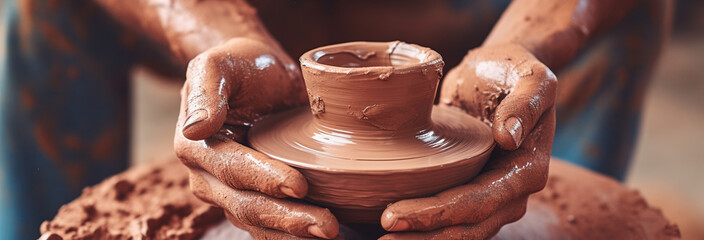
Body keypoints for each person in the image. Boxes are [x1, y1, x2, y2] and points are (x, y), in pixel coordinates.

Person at [0, 0, 670, 239]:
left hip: (470, 21)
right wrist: (210, 31)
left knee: (610, 21)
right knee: (40, 10)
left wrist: (536, 35)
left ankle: (540, 208)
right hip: (251, 17)